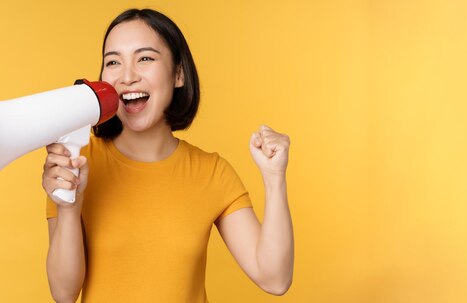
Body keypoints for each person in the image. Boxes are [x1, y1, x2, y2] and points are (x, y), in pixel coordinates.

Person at [41, 8, 293, 303]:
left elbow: (274, 278)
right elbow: (63, 294)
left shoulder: (211, 172)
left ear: (178, 74)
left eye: (145, 58)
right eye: (113, 62)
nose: (127, 76)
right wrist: (69, 206)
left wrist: (274, 178)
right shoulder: (75, 164)